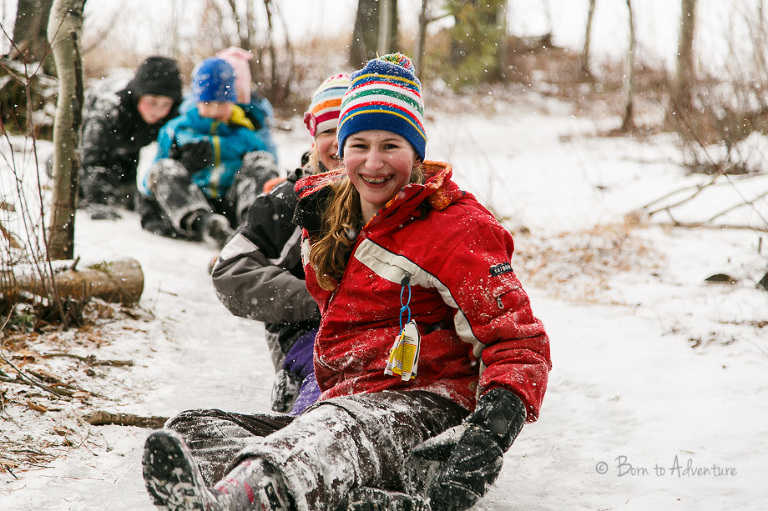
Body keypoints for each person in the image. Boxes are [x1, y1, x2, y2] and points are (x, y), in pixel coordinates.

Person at [142, 54, 551, 511]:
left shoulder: (455, 226)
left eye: (391, 145)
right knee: (196, 427)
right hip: (348, 399)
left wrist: (486, 440)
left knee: (334, 430)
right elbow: (234, 269)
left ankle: (238, 502)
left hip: (425, 404)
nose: (373, 163)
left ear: (416, 150)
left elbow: (519, 345)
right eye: (358, 144)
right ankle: (360, 496)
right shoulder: (327, 210)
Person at [211, 73, 350, 415]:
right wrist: (320, 300)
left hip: (378, 336)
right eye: (326, 132)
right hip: (305, 334)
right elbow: (230, 272)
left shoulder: (390, 199)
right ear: (313, 138)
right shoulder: (290, 202)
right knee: (331, 384)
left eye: (346, 130)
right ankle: (290, 439)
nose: (337, 144)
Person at [137, 56, 280, 248]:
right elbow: (151, 180)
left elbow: (270, 177)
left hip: (231, 205)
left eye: (221, 103)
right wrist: (183, 165)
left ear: (233, 101)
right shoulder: (178, 130)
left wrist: (243, 168)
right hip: (191, 204)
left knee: (262, 160)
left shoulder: (246, 132)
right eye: (207, 103)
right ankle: (208, 226)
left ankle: (250, 228)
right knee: (164, 168)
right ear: (197, 101)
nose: (214, 110)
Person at [78, 56, 183, 218]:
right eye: (152, 102)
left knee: (125, 196)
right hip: (84, 144)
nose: (158, 110)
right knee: (72, 178)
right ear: (139, 95)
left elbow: (173, 156)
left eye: (165, 104)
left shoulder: (170, 117)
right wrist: (97, 200)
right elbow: (91, 157)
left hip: (130, 149)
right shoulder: (110, 108)